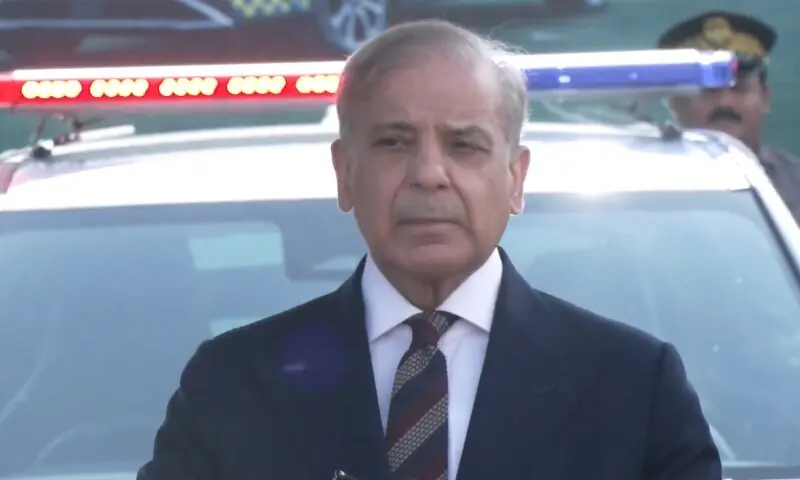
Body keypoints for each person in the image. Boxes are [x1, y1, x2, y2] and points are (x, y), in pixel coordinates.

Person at [138, 20, 721, 480]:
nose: (429, 174)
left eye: (464, 145)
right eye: (394, 143)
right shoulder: (233, 385)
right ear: (345, 173)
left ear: (515, 178)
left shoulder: (633, 387)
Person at [658, 10, 800, 223]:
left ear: (765, 98)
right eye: (708, 91)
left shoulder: (795, 182)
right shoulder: (643, 180)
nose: (725, 102)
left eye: (739, 88)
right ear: (674, 102)